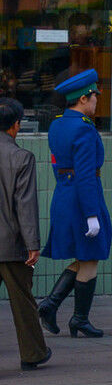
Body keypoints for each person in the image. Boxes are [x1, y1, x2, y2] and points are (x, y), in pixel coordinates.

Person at [38, 69, 111, 339]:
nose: (96, 102)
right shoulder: (84, 129)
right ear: (83, 98)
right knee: (90, 257)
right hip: (83, 200)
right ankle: (79, 319)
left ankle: (50, 305)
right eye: (94, 97)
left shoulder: (57, 124)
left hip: (64, 196)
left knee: (84, 256)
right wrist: (92, 213)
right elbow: (85, 174)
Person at [0, 98, 50, 370]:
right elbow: (25, 205)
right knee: (22, 300)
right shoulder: (21, 157)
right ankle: (33, 353)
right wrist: (33, 244)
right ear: (16, 126)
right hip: (10, 244)